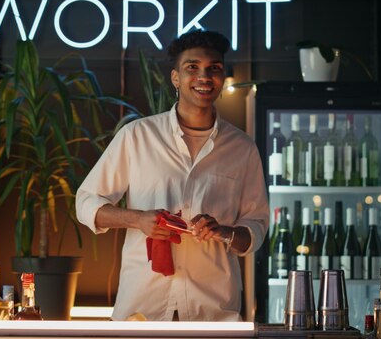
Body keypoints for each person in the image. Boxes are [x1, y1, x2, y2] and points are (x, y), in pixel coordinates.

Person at [76, 29, 269, 321]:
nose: (204, 76)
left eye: (213, 68)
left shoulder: (242, 148)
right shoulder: (137, 136)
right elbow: (85, 203)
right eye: (192, 67)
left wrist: (225, 232)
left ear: (222, 78)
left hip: (214, 312)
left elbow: (256, 228)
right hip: (143, 308)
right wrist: (138, 220)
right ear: (175, 78)